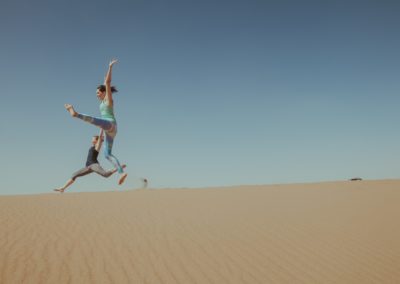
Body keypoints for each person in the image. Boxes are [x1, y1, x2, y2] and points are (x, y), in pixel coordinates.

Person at [64, 59, 127, 185]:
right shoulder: (103, 101)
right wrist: (104, 80)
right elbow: (105, 82)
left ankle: (75, 114)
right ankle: (121, 172)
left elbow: (107, 83)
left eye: (98, 92)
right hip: (111, 131)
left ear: (104, 92)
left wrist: (110, 67)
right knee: (107, 154)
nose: (97, 94)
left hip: (109, 123)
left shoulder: (108, 100)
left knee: (95, 121)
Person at [54, 129, 126, 193]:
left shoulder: (97, 146)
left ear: (96, 140)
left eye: (93, 139)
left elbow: (100, 137)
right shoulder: (92, 146)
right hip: (88, 167)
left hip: (94, 165)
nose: (91, 139)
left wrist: (102, 128)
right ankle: (63, 188)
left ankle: (118, 168)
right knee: (74, 175)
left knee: (105, 175)